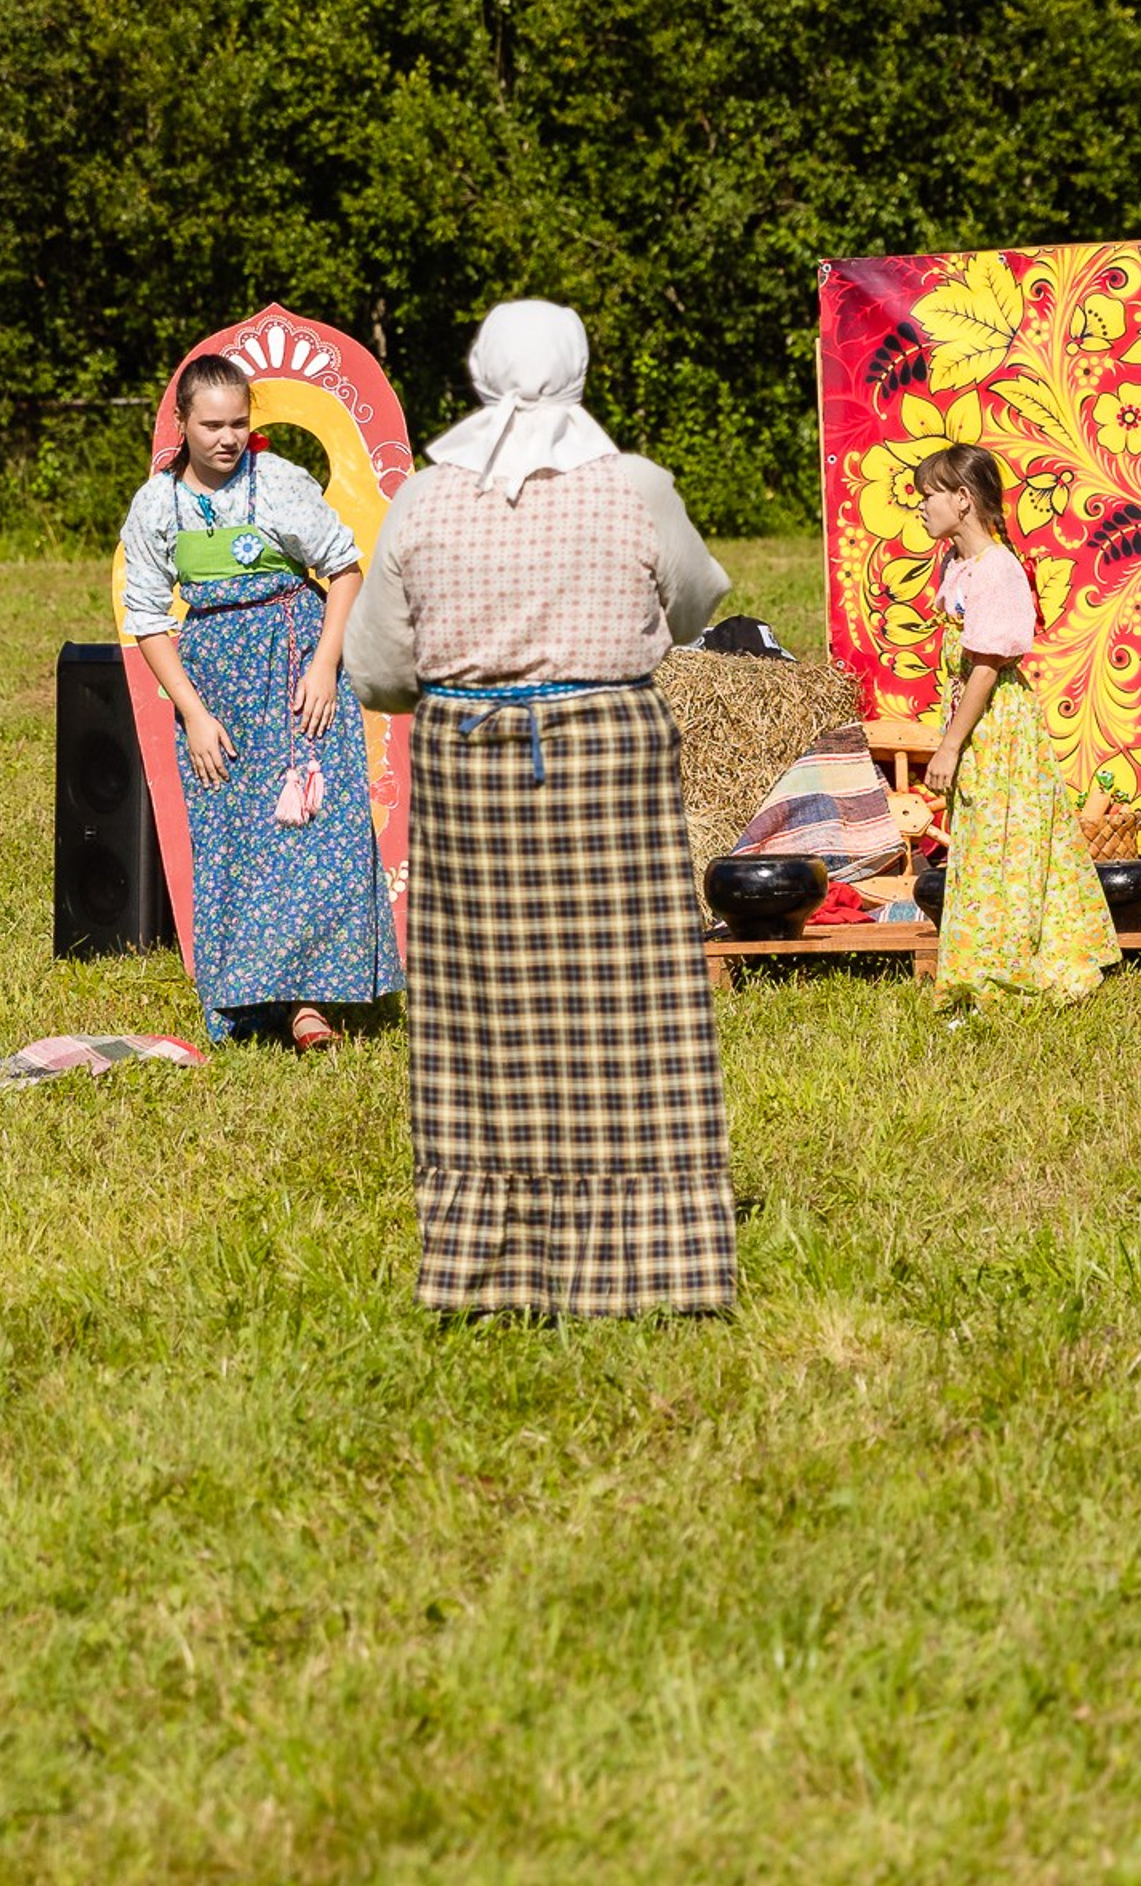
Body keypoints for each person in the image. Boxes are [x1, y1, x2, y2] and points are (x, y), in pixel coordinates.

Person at [340, 300, 736, 1319]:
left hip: (470, 776)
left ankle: (495, 1265)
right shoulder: (635, 486)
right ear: (577, 369)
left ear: (478, 372)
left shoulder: (423, 501)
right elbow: (694, 605)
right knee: (630, 1010)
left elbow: (378, 672)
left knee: (487, 1021)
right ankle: (651, 1261)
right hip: (610, 768)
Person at [121, 353, 402, 1048]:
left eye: (239, 423)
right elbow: (149, 616)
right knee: (234, 835)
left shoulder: (277, 483)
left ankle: (311, 1005)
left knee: (312, 831)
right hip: (218, 687)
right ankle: (248, 997)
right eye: (211, 424)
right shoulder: (158, 504)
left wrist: (324, 663)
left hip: (296, 668)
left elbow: (343, 567)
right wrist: (192, 711)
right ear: (181, 423)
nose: (226, 438)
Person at [914, 445, 1118, 1008]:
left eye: (929, 496)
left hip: (997, 727)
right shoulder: (959, 565)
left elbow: (986, 667)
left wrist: (950, 745)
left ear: (962, 499)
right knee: (982, 840)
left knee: (1008, 841)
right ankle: (981, 959)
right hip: (977, 724)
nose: (921, 508)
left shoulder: (998, 570)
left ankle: (1013, 964)